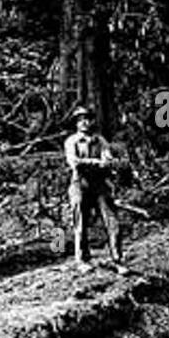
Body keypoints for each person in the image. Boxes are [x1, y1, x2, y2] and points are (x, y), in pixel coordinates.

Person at [63, 106, 126, 273]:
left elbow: (107, 157)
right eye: (80, 120)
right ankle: (82, 260)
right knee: (80, 222)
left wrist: (109, 162)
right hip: (79, 183)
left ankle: (117, 259)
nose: (84, 122)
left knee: (112, 221)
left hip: (100, 184)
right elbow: (74, 162)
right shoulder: (72, 141)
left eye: (87, 119)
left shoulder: (100, 140)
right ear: (76, 123)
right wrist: (96, 162)